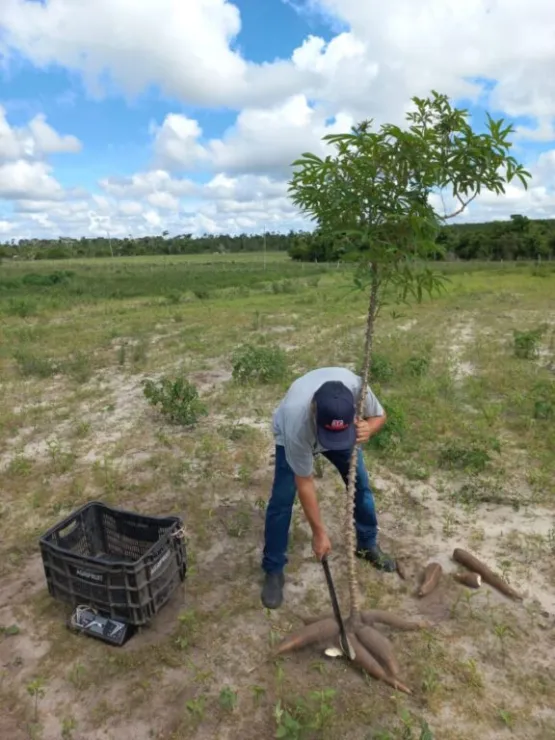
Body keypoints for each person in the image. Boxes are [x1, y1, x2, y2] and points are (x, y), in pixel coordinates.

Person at [260, 366, 396, 610]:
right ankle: (273, 568)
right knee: (282, 499)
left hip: (344, 432)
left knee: (360, 485)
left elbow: (379, 415)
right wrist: (319, 532)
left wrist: (368, 428)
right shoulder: (296, 420)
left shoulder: (356, 388)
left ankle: (366, 544)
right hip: (296, 434)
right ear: (313, 411)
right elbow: (305, 482)